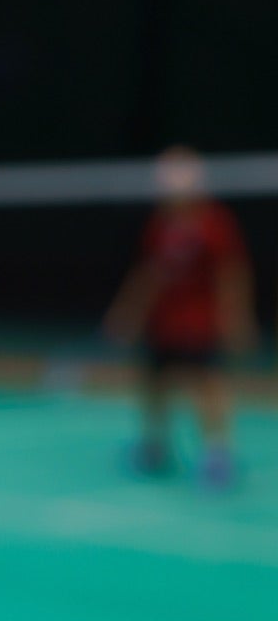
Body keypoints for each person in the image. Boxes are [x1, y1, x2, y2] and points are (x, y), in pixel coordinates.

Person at [103, 146, 256, 488]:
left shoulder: (215, 222)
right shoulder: (160, 224)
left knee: (209, 384)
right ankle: (155, 447)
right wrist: (128, 312)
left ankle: (217, 455)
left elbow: (231, 273)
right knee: (154, 383)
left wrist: (236, 318)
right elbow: (149, 273)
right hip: (165, 322)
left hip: (202, 321)